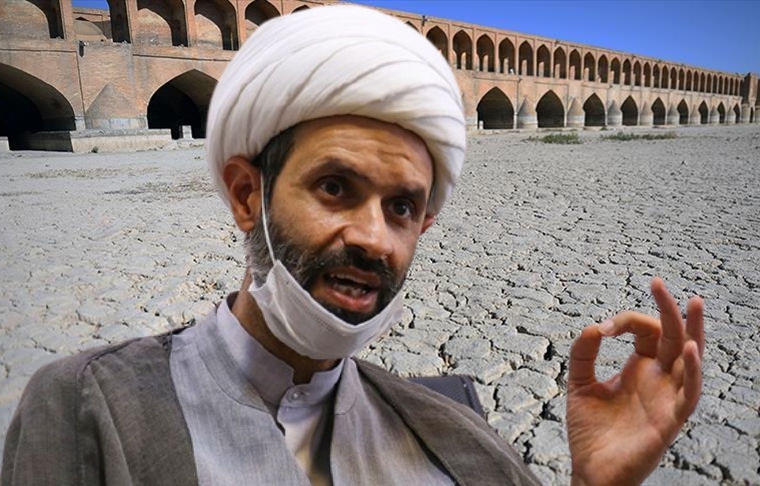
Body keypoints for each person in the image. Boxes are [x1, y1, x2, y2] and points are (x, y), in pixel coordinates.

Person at [2, 5, 704, 485]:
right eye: (334, 187)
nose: (373, 238)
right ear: (246, 195)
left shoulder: (456, 432)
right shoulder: (88, 409)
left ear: (424, 227)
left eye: (402, 207)